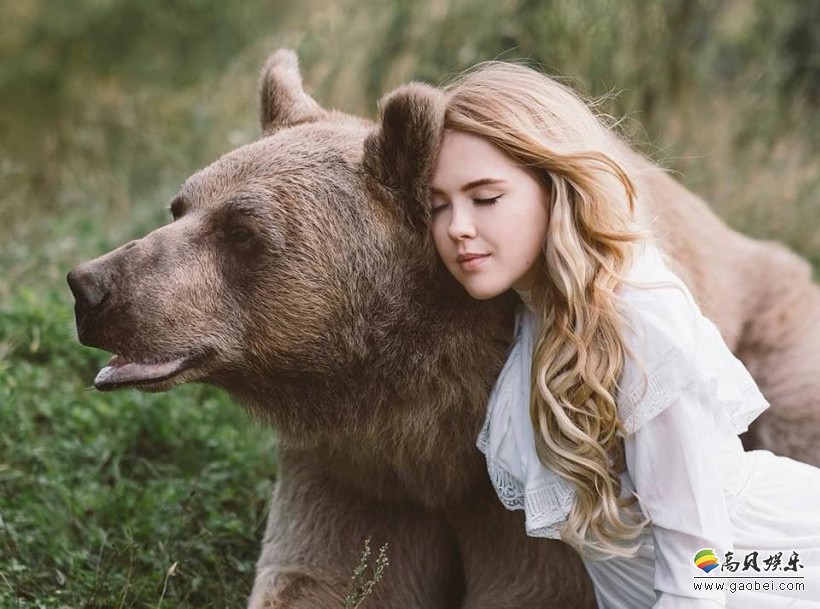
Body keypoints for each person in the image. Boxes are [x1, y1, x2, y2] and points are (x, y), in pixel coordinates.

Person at [426, 61, 820, 608]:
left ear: (555, 186)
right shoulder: (529, 320)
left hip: (765, 572)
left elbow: (696, 567)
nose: (457, 227)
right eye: (437, 205)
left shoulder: (637, 315)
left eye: (486, 198)